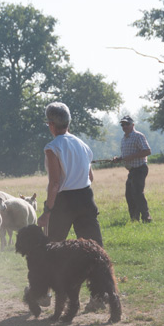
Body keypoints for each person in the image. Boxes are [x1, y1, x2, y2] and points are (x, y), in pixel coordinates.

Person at [37, 102, 103, 246]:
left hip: (63, 202)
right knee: (93, 247)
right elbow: (90, 177)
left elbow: (55, 183)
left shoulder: (52, 148)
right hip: (86, 198)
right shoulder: (83, 145)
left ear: (51, 124)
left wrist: (47, 212)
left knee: (53, 247)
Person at [113, 115, 152, 223]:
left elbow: (147, 151)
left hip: (140, 168)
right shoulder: (124, 139)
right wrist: (119, 159)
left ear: (133, 125)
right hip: (132, 170)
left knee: (138, 193)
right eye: (123, 124)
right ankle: (134, 219)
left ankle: (146, 217)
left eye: (127, 124)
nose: (124, 126)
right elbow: (126, 155)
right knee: (129, 195)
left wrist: (131, 156)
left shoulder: (138, 136)